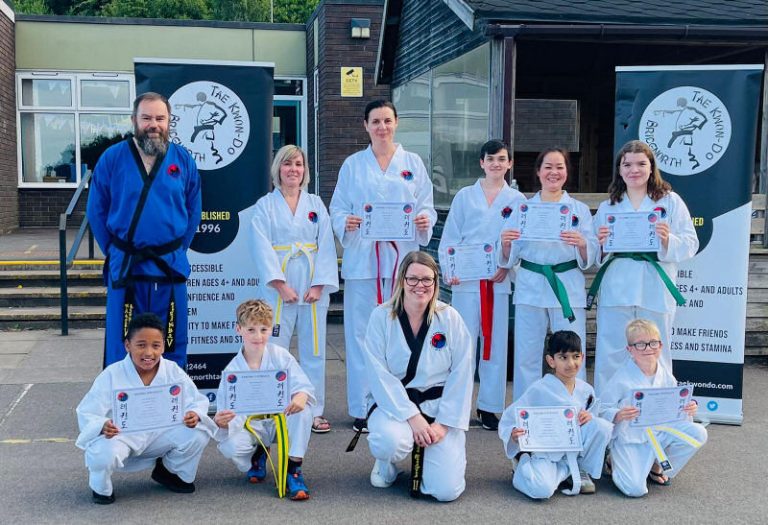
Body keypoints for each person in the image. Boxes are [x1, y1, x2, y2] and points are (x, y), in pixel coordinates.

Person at [330, 100, 437, 432]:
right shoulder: (353, 164)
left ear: (396, 123)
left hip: (401, 264)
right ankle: (364, 406)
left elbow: (426, 207)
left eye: (387, 121)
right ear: (366, 126)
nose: (382, 127)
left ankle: (400, 403)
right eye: (375, 121)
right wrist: (344, 221)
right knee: (362, 335)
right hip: (364, 261)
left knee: (401, 333)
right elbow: (337, 208)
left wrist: (423, 220)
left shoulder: (413, 163)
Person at [87, 92, 201, 369]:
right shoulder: (113, 158)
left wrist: (176, 249)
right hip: (127, 264)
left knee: (172, 339)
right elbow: (96, 211)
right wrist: (115, 250)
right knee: (122, 341)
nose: (154, 124)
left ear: (169, 121)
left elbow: (192, 209)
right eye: (147, 117)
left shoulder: (182, 160)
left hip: (169, 265)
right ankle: (122, 403)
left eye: (160, 118)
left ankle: (171, 403)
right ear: (134, 121)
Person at [363, 252, 473, 502]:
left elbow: (462, 373)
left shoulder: (449, 318)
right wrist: (413, 418)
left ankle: (437, 457)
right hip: (395, 406)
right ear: (402, 280)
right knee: (389, 441)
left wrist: (443, 424)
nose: (420, 286)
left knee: (445, 492)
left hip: (439, 407)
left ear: (436, 282)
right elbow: (379, 374)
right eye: (413, 279)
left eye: (427, 279)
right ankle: (386, 463)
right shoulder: (381, 317)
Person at [591, 140, 698, 394]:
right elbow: (596, 252)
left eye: (641, 163)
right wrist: (603, 244)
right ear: (619, 169)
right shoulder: (609, 206)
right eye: (627, 164)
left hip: (654, 286)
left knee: (655, 349)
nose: (634, 170)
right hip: (618, 285)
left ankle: (659, 408)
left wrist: (666, 239)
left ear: (652, 168)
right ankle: (609, 411)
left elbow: (691, 243)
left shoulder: (670, 202)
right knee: (612, 349)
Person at [76, 313, 215, 504]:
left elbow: (196, 401)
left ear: (163, 347)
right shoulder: (112, 374)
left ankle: (170, 472)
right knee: (102, 454)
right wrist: (103, 425)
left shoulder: (172, 370)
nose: (148, 352)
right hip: (122, 437)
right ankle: (101, 488)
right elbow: (87, 411)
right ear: (128, 345)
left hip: (160, 435)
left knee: (198, 433)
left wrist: (194, 414)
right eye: (141, 345)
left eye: (155, 346)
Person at [249, 145, 339, 434]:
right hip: (280, 288)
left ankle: (312, 409)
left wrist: (319, 284)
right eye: (287, 164)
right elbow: (260, 245)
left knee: (314, 350)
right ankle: (275, 408)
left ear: (305, 170)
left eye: (298, 164)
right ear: (278, 169)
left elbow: (325, 245)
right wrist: (279, 284)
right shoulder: (265, 205)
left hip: (312, 285)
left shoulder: (315, 204)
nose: (293, 170)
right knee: (274, 349)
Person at [438, 139, 524, 430]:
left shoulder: (517, 201)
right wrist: (451, 271)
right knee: (463, 344)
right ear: (481, 163)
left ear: (509, 163)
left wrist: (506, 264)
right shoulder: (464, 196)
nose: (496, 164)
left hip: (496, 281)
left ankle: (489, 406)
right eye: (491, 159)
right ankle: (457, 405)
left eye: (502, 159)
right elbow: (450, 237)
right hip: (466, 280)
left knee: (494, 344)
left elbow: (520, 242)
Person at [498, 148, 597, 401]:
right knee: (527, 355)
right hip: (531, 284)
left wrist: (583, 244)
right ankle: (527, 412)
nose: (554, 172)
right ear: (539, 172)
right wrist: (507, 244)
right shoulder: (523, 209)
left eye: (559, 167)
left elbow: (591, 253)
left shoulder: (579, 210)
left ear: (567, 172)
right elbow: (511, 253)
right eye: (548, 167)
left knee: (572, 352)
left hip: (566, 284)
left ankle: (575, 409)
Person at [213, 299, 316, 501]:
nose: (258, 336)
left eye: (263, 329)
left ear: (271, 330)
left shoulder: (280, 356)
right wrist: (221, 421)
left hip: (280, 421)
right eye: (251, 329)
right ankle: (257, 453)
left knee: (304, 412)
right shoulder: (233, 370)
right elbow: (223, 411)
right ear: (239, 329)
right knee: (231, 446)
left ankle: (293, 469)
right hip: (253, 425)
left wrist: (301, 397)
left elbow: (303, 386)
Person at [498, 331, 612, 500]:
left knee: (602, 426)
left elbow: (593, 428)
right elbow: (510, 417)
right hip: (547, 452)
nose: (571, 363)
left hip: (575, 449)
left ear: (582, 357)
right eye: (563, 357)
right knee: (541, 490)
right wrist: (513, 433)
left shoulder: (586, 390)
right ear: (551, 361)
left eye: (576, 356)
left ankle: (580, 470)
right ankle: (523, 463)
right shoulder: (540, 389)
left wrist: (590, 418)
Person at [600, 319, 707, 497]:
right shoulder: (621, 378)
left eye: (653, 343)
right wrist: (617, 414)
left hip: (659, 433)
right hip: (631, 439)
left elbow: (675, 410)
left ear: (660, 345)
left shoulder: (665, 375)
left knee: (698, 433)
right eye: (640, 344)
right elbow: (602, 409)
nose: (648, 348)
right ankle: (613, 461)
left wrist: (688, 407)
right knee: (635, 490)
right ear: (630, 349)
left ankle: (656, 465)